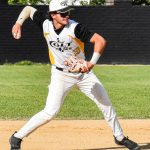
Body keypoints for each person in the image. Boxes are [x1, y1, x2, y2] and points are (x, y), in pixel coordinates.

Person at [9, 0, 140, 150]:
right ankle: (17, 137)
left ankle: (120, 137)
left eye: (68, 12)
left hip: (83, 75)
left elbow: (100, 41)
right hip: (60, 75)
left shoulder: (75, 28)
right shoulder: (44, 23)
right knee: (50, 112)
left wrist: (90, 63)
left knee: (105, 103)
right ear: (52, 15)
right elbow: (27, 9)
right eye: (63, 13)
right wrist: (18, 23)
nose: (67, 15)